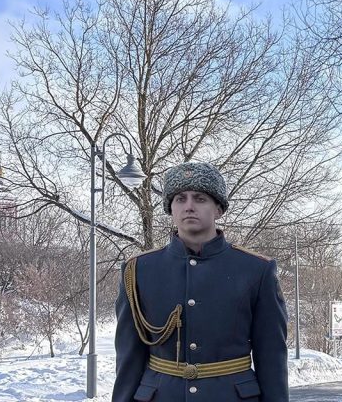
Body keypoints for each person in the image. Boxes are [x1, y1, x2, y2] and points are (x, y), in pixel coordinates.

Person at [112, 162, 289, 402]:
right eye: (180, 199)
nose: (189, 207)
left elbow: (272, 357)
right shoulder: (139, 270)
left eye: (200, 198)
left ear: (218, 209)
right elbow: (128, 358)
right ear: (170, 209)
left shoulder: (256, 269)